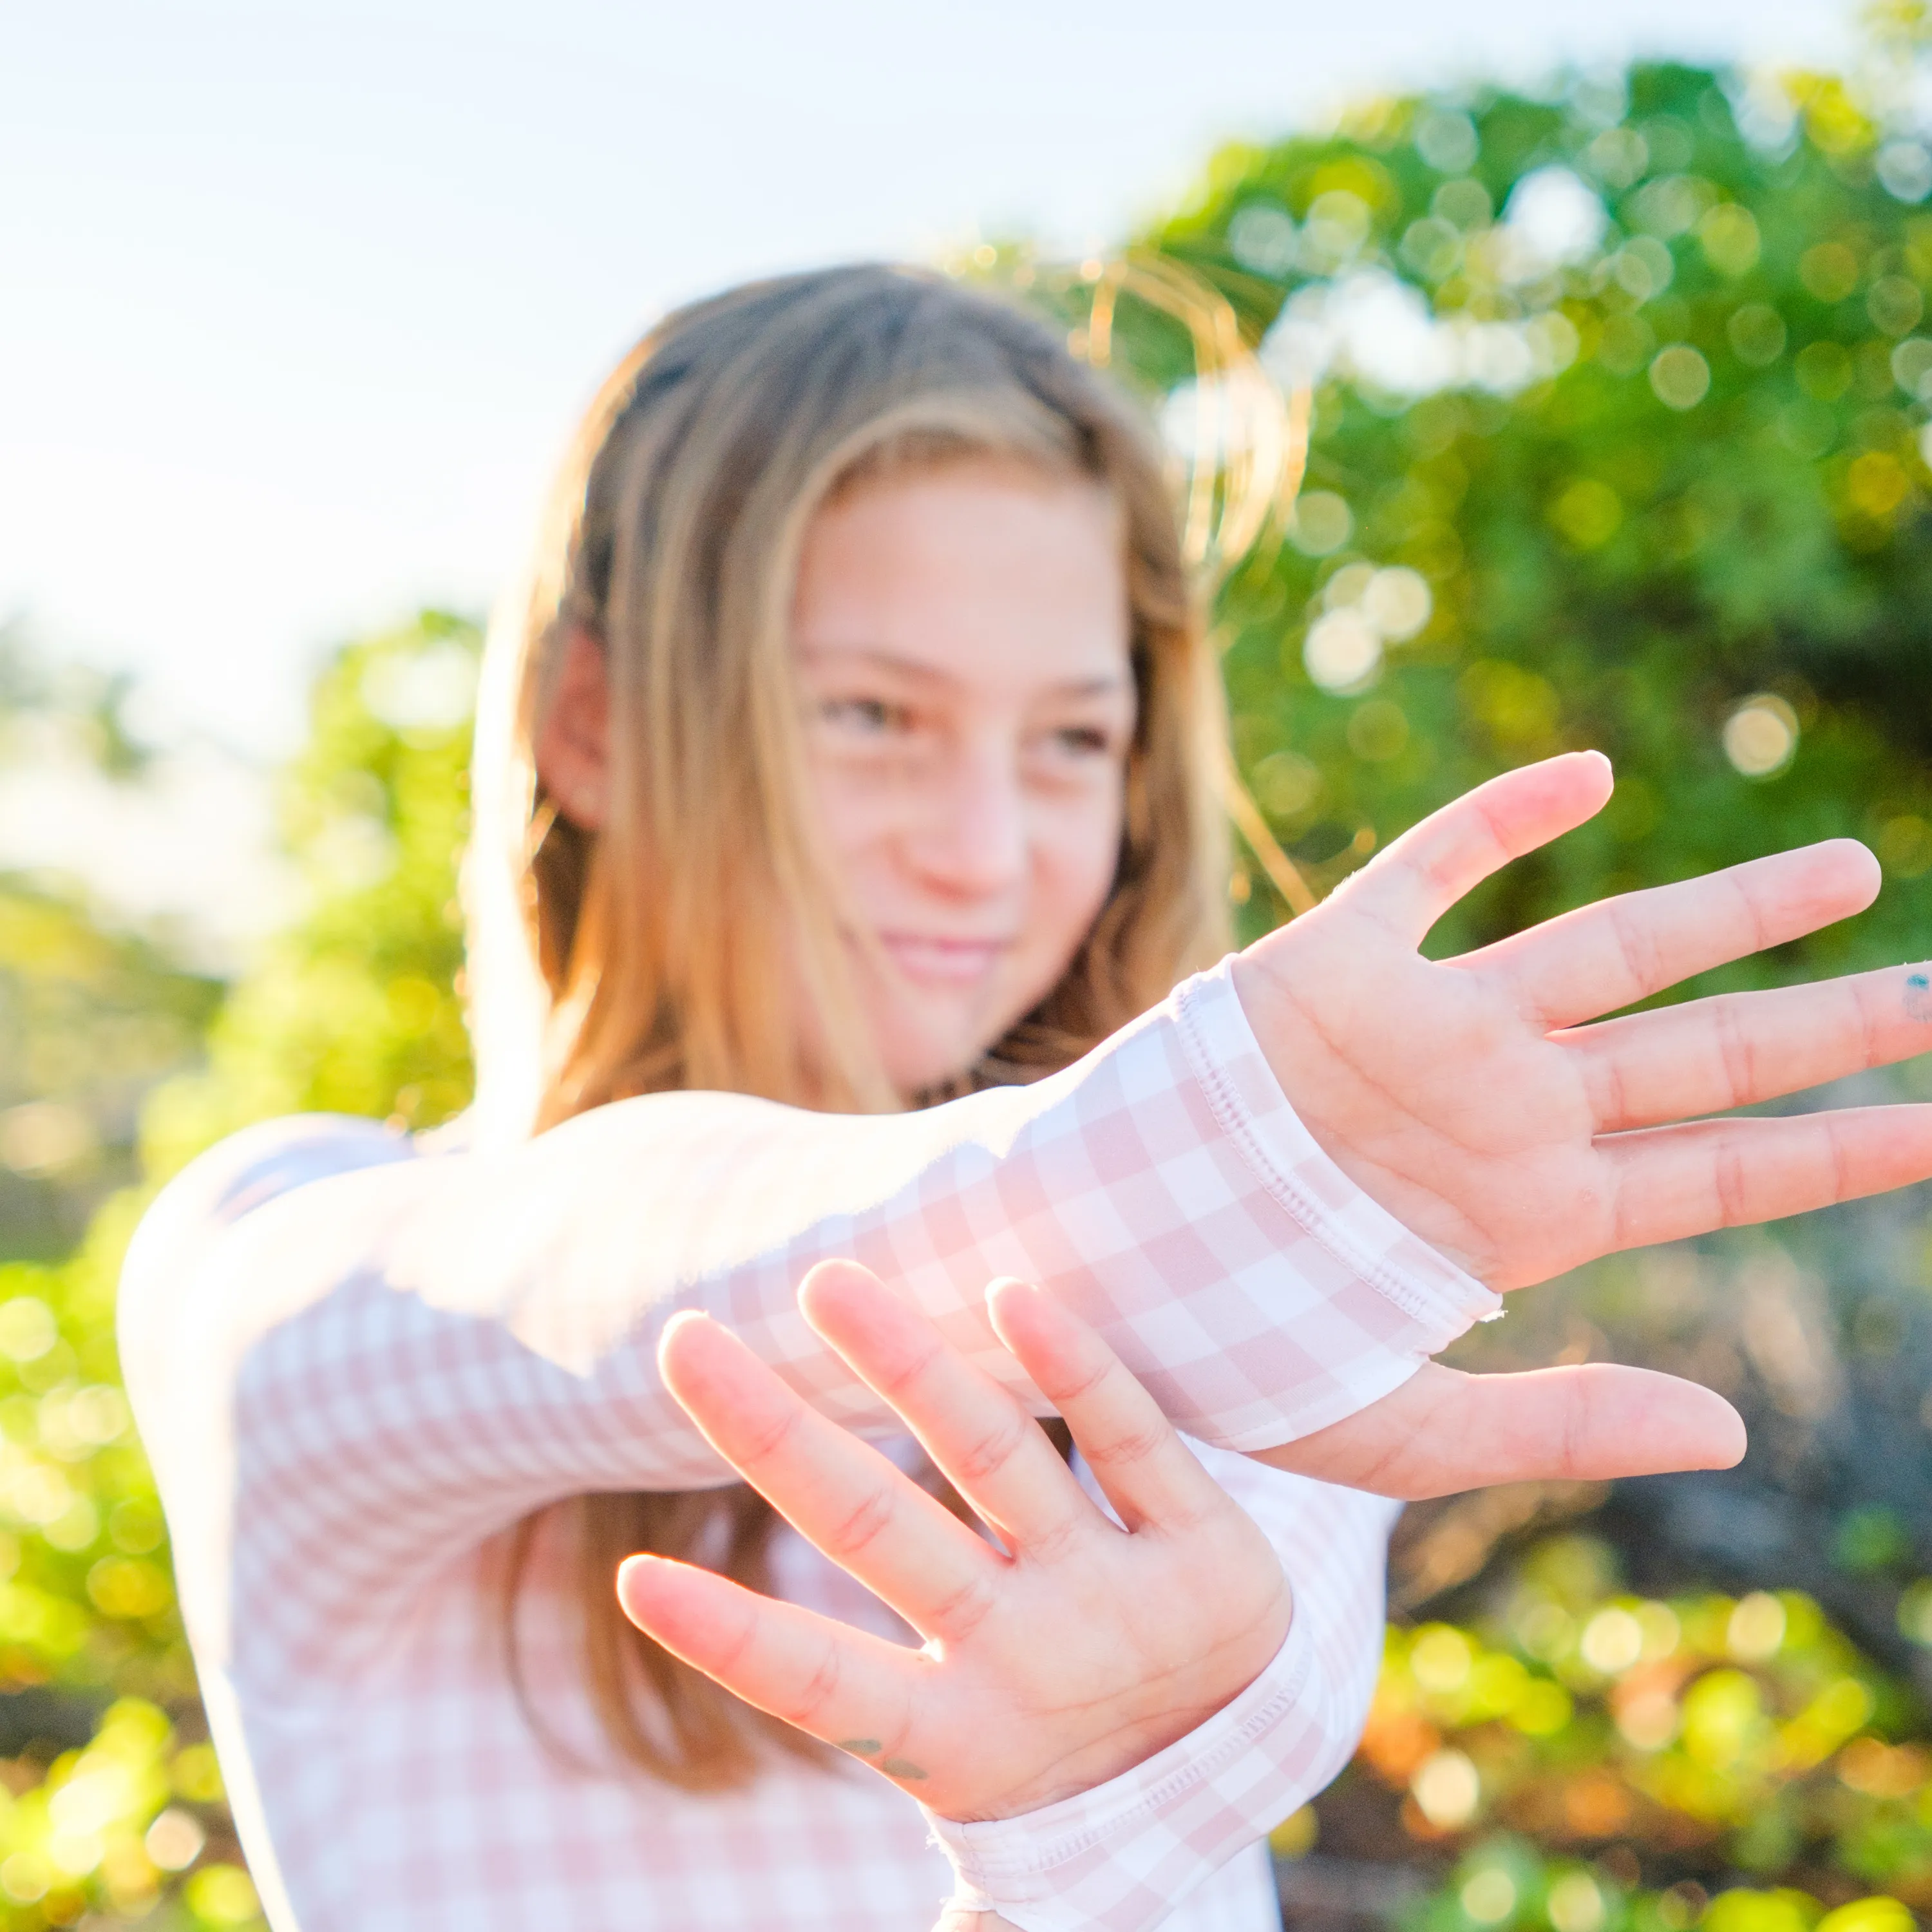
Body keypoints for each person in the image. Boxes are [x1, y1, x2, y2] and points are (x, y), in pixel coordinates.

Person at [118, 265, 1932, 1932]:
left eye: (1072, 740)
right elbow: (582, 1265)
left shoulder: (1230, 1321)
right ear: (590, 724)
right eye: (868, 717)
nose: (985, 853)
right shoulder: (270, 1248)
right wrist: (1183, 1173)